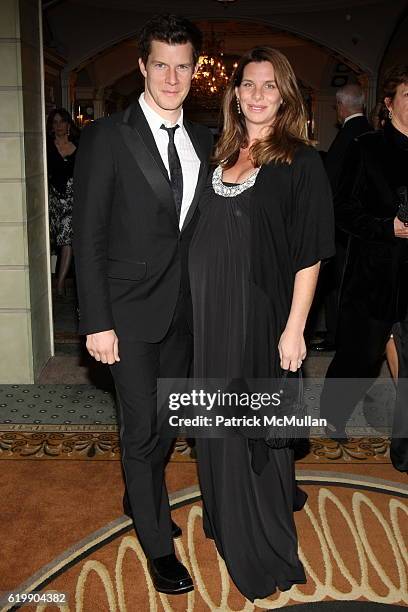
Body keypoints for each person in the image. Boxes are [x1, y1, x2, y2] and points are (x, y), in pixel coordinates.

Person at [73, 15, 213, 595]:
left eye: (183, 66)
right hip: (126, 315)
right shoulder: (108, 135)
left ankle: (142, 491)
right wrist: (97, 321)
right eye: (162, 64)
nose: (172, 76)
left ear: (194, 70)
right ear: (142, 67)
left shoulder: (205, 139)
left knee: (166, 421)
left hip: (186, 312)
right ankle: (157, 543)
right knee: (139, 430)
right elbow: (89, 236)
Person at [189, 47, 335, 601]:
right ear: (234, 94)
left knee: (258, 431)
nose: (256, 94)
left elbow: (309, 254)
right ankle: (226, 519)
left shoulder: (301, 162)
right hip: (210, 320)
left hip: (261, 318)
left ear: (285, 95)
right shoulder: (220, 153)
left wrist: (295, 327)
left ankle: (265, 543)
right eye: (247, 84)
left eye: (268, 86)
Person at [319, 65, 408, 470]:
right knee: (359, 357)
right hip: (373, 274)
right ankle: (332, 411)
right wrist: (385, 226)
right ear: (389, 104)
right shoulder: (367, 147)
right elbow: (341, 209)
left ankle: (404, 448)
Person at [311, 84, 371, 352]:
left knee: (337, 283)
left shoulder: (347, 135)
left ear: (340, 106)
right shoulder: (372, 133)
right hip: (368, 225)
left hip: (342, 226)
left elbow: (330, 185)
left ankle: (338, 336)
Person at [46, 108, 79, 297]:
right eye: (55, 122)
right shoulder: (47, 145)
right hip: (53, 200)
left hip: (73, 201)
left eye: (62, 121)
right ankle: (60, 279)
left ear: (68, 124)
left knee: (67, 240)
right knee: (57, 241)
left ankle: (59, 283)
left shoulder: (79, 143)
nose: (59, 125)